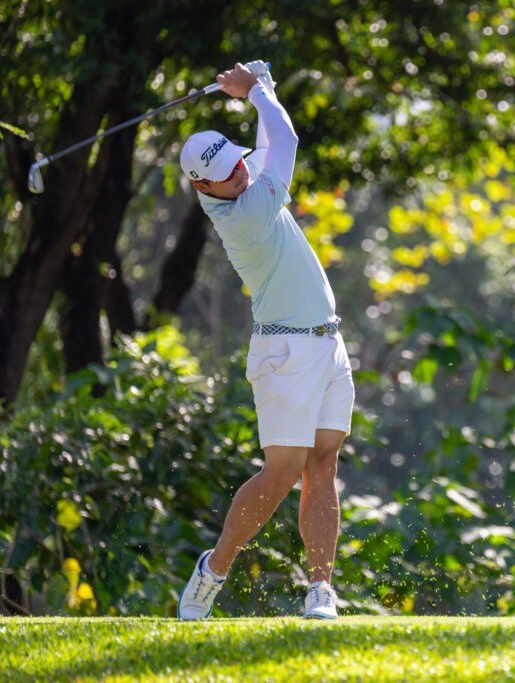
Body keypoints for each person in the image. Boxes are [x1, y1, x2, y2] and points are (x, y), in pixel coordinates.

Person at [176, 62, 354, 621]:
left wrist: (265, 89)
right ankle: (215, 570)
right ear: (204, 188)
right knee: (282, 473)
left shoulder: (238, 181)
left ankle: (320, 589)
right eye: (228, 175)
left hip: (326, 343)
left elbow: (266, 143)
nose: (241, 174)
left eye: (238, 162)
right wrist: (255, 91)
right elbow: (287, 139)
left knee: (322, 463)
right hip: (284, 352)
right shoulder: (245, 213)